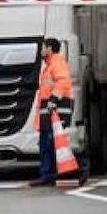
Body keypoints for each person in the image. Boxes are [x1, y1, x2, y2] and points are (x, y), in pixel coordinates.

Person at [31, 38, 87, 187]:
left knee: (54, 144)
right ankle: (48, 175)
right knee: (48, 145)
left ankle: (80, 168)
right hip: (48, 112)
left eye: (43, 47)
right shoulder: (48, 66)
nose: (41, 50)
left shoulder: (57, 64)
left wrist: (54, 99)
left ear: (50, 49)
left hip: (55, 111)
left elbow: (63, 82)